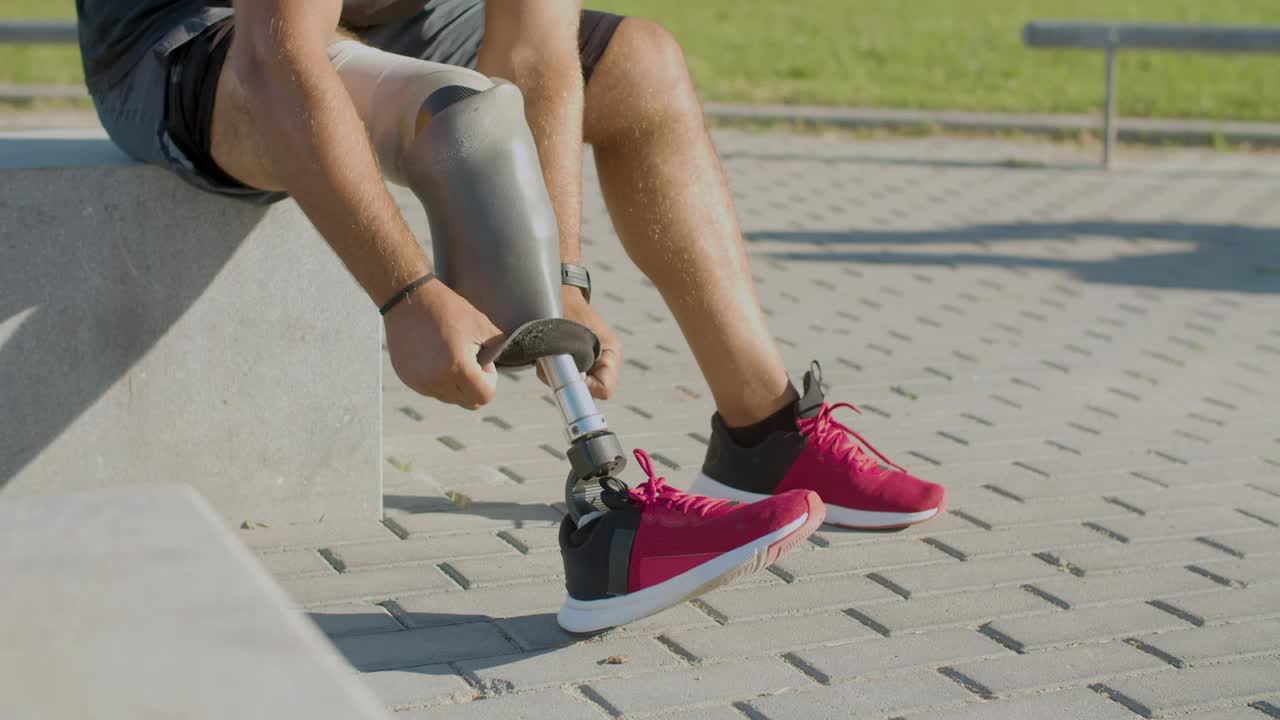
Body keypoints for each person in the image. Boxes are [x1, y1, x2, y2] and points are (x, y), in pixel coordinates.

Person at [75, 0, 947, 632]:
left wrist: (563, 280)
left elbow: (535, 51)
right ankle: (607, 523)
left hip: (386, 24)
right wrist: (405, 295)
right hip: (193, 39)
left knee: (641, 63)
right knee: (465, 116)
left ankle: (766, 433)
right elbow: (277, 61)